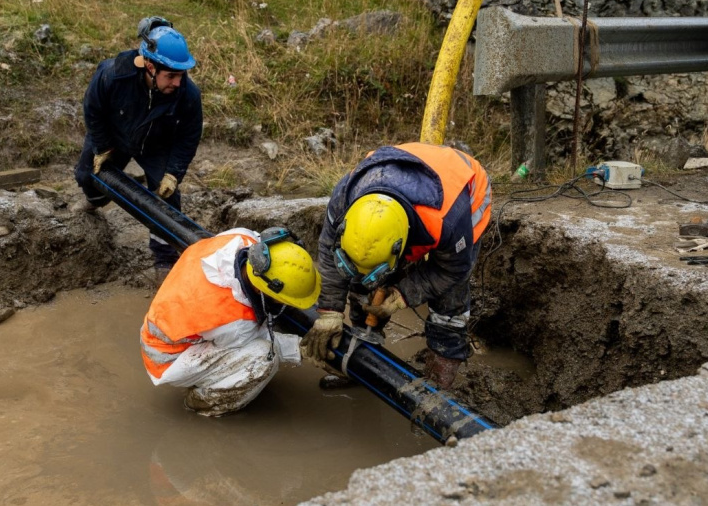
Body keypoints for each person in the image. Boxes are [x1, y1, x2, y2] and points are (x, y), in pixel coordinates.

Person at [302, 142, 492, 389]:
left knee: (449, 305)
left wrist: (403, 294)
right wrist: (330, 312)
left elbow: (452, 270)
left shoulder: (450, 222)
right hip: (403, 185)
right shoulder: (344, 198)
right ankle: (361, 365)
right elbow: (329, 252)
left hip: (463, 191)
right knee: (361, 283)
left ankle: (438, 390)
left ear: (402, 249)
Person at [73, 16, 203, 284]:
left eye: (181, 75)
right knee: (87, 176)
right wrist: (101, 146)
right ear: (150, 67)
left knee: (167, 199)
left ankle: (164, 259)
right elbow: (92, 108)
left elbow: (188, 137)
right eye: (171, 76)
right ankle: (97, 200)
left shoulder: (188, 95)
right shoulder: (112, 75)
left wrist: (173, 173)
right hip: (115, 135)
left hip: (157, 142)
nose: (177, 82)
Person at [140, 227, 321, 416]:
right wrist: (301, 349)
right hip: (166, 357)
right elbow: (268, 341)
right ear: (262, 290)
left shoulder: (241, 237)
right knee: (265, 357)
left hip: (164, 318)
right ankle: (205, 400)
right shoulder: (235, 323)